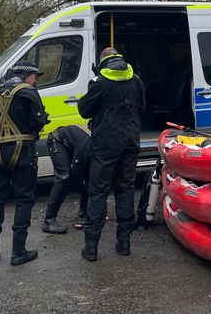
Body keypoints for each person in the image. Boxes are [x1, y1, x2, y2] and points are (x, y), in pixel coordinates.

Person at [77, 48, 145, 261]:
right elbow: (141, 107)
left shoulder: (100, 82)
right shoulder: (135, 80)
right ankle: (124, 242)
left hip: (106, 144)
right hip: (131, 141)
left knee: (98, 191)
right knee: (125, 189)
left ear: (103, 62)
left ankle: (91, 247)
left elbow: (84, 110)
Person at [0, 61, 49, 266]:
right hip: (22, 152)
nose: (35, 80)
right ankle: (18, 252)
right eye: (34, 76)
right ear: (25, 75)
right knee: (23, 200)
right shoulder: (28, 92)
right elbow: (38, 121)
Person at [42, 124, 92, 234]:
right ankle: (49, 221)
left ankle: (83, 212)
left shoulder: (95, 145)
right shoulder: (87, 147)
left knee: (87, 177)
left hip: (71, 141)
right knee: (64, 177)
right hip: (56, 140)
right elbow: (78, 175)